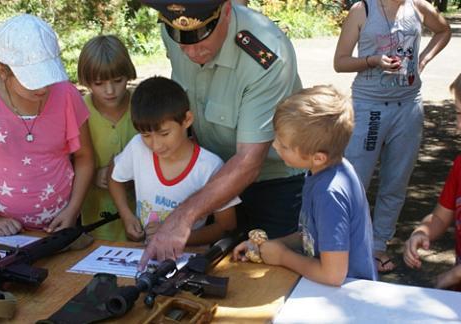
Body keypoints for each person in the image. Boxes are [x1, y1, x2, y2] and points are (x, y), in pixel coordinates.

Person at [138, 0, 303, 267]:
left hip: (271, 183)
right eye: (181, 40)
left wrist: (183, 217)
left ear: (225, 11)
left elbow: (249, 162)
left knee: (267, 277)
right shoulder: (173, 36)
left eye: (201, 39)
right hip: (209, 177)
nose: (190, 52)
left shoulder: (267, 54)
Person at [0, 14, 94, 236]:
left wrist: (72, 210)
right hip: (2, 233)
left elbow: (84, 157)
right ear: (2, 70)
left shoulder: (66, 95)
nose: (43, 88)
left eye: (47, 77)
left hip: (62, 226)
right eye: (32, 80)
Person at [333, 0, 451, 272]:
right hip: (369, 106)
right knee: (355, 180)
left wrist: (422, 60)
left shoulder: (419, 7)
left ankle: (377, 246)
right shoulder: (362, 10)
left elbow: (443, 31)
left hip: (408, 105)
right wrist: (373, 61)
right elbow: (340, 62)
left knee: (396, 181)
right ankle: (344, 246)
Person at [233, 85, 377, 285]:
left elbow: (333, 275)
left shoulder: (329, 193)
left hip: (347, 296)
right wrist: (272, 246)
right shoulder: (326, 172)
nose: (274, 146)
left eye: (284, 145)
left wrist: (283, 256)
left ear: (318, 157)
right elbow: (311, 235)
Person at [109, 77, 240, 245]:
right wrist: (126, 216)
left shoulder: (209, 167)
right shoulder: (137, 147)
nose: (155, 145)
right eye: (146, 135)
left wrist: (177, 238)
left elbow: (227, 226)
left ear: (187, 120)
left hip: (187, 259)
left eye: (164, 134)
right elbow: (115, 178)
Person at [403, 74, 461, 291]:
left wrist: (454, 274)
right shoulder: (459, 166)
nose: (459, 126)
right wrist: (422, 232)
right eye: (458, 114)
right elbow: (440, 216)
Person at [77, 35, 137, 241]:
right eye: (99, 83)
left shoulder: (143, 106)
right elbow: (64, 162)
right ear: (86, 81)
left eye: (118, 81)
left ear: (128, 74)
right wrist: (91, 175)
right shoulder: (77, 112)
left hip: (145, 217)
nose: (110, 91)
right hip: (95, 222)